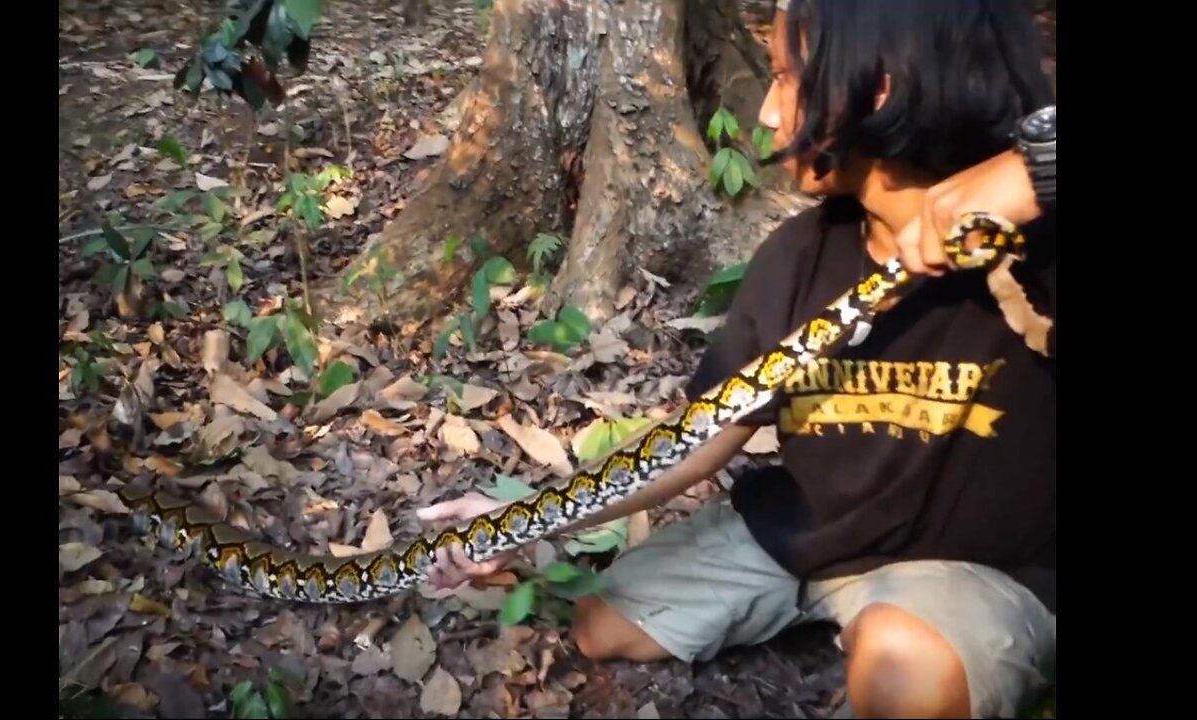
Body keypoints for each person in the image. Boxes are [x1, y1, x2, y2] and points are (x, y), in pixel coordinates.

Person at [417, 1, 1057, 717]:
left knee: (903, 665)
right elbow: (694, 443)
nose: (767, 117)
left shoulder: (1039, 247)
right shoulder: (796, 257)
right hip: (805, 536)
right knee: (601, 627)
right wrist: (523, 519)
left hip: (976, 564)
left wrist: (1030, 175)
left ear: (878, 86)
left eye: (786, 80)